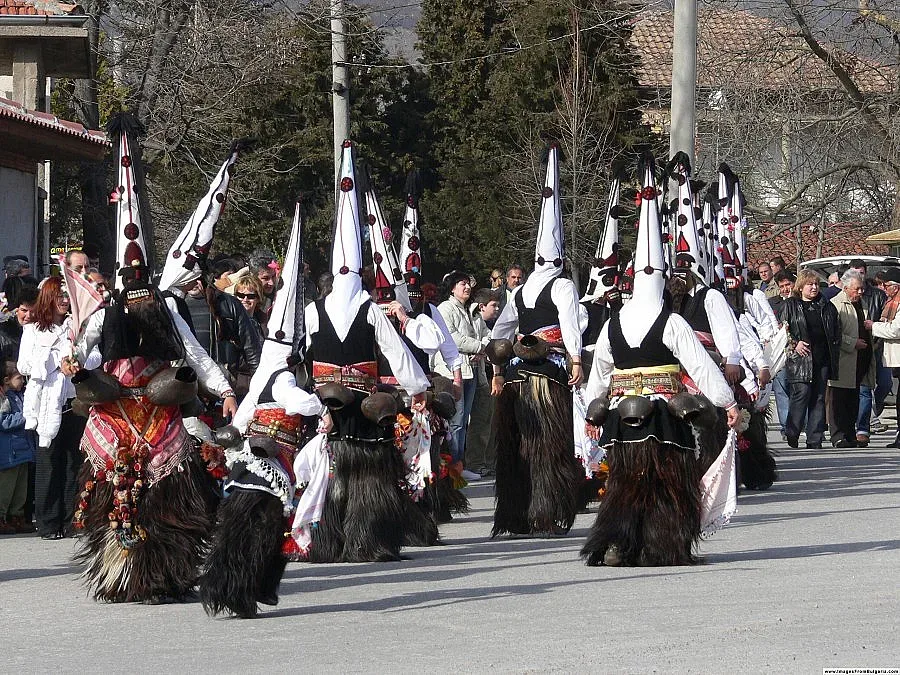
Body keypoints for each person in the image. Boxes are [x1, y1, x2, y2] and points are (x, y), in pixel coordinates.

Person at [581, 151, 739, 567]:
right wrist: (728, 402)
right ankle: (662, 544)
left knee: (624, 480)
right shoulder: (671, 321)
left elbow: (600, 373)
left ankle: (619, 542)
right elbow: (700, 365)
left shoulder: (612, 323)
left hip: (621, 414)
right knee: (668, 481)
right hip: (666, 414)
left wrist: (592, 412)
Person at [64, 258, 237, 602]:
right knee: (110, 499)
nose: (140, 298)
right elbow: (78, 350)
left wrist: (225, 390)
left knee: (168, 503)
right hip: (113, 416)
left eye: (144, 290)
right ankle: (119, 575)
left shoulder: (167, 313)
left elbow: (195, 355)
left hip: (161, 411)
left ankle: (163, 575)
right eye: (133, 290)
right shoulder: (104, 315)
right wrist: (72, 362)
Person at [299, 140, 430, 564]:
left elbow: (297, 354)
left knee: (333, 472)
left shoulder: (312, 311)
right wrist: (417, 387)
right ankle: (367, 540)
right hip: (363, 407)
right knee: (370, 474)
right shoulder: (370, 309)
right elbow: (395, 350)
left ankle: (328, 541)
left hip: (325, 404)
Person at [201, 204, 331, 618]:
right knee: (266, 528)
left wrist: (232, 437)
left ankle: (246, 587)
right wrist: (320, 407)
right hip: (272, 458)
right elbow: (296, 402)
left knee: (251, 526)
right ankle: (251, 587)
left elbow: (243, 416)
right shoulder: (282, 376)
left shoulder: (262, 376)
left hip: (250, 456)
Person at [489, 144, 585, 537]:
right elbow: (571, 325)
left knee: (517, 445)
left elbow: (499, 333)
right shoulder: (562, 286)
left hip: (516, 373)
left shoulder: (520, 290)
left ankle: (516, 512)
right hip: (549, 370)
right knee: (549, 443)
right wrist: (576, 359)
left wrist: (498, 370)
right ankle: (546, 510)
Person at [17, 277, 93, 539]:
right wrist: (54, 362)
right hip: (47, 404)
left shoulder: (77, 325)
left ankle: (72, 521)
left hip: (75, 402)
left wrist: (77, 361)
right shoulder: (33, 330)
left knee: (74, 462)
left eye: (66, 295)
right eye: (59, 295)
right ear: (48, 298)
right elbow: (24, 365)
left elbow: (96, 356)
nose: (64, 300)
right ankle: (48, 523)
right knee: (48, 461)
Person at [780, 270, 840, 449]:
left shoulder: (826, 305)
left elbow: (835, 330)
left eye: (816, 284)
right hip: (800, 359)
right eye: (810, 284)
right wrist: (795, 343)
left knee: (819, 397)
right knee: (801, 394)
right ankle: (792, 432)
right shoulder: (791, 305)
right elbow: (782, 330)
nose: (814, 287)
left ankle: (815, 438)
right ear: (800, 287)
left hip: (822, 358)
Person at [438, 272, 483, 480]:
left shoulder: (469, 310)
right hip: (451, 372)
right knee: (455, 421)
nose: (467, 287)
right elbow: (452, 338)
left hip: (470, 371)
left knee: (463, 420)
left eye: (468, 284)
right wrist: (479, 347)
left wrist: (481, 347)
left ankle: (458, 466)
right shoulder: (445, 308)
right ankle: (451, 469)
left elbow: (482, 333)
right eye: (462, 283)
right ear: (452, 288)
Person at [828, 269, 874, 448]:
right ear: (846, 288)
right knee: (839, 400)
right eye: (857, 289)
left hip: (860, 360)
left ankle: (849, 434)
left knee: (853, 400)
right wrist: (852, 343)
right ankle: (838, 436)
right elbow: (833, 334)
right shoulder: (836, 304)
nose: (860, 292)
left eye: (862, 288)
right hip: (843, 360)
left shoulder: (862, 303)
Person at [848, 260, 889, 445]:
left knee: (885, 384)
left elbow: (885, 319)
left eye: (862, 272)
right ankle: (863, 428)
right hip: (856, 348)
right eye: (855, 272)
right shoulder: (846, 296)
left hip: (878, 347)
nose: (859, 276)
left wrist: (877, 337)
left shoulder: (878, 295)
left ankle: (873, 411)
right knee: (864, 389)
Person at [465, 288, 501, 477]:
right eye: (494, 305)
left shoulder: (482, 322)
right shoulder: (470, 316)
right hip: (464, 374)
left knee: (485, 419)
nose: (497, 309)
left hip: (481, 376)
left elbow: (490, 339)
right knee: (467, 422)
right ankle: (471, 463)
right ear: (481, 306)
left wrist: (483, 347)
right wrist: (480, 348)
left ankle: (482, 462)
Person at [0, 362, 35, 534]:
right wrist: (26, 416)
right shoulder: (4, 397)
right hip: (10, 452)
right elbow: (3, 421)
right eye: (19, 378)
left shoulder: (21, 395)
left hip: (23, 450)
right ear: (7, 380)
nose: (22, 381)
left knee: (21, 489)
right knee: (7, 488)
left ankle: (17, 516)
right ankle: (2, 517)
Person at [867, 268, 900, 447]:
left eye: (886, 285)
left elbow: (896, 329)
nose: (884, 289)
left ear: (896, 286)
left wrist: (874, 326)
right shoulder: (891, 302)